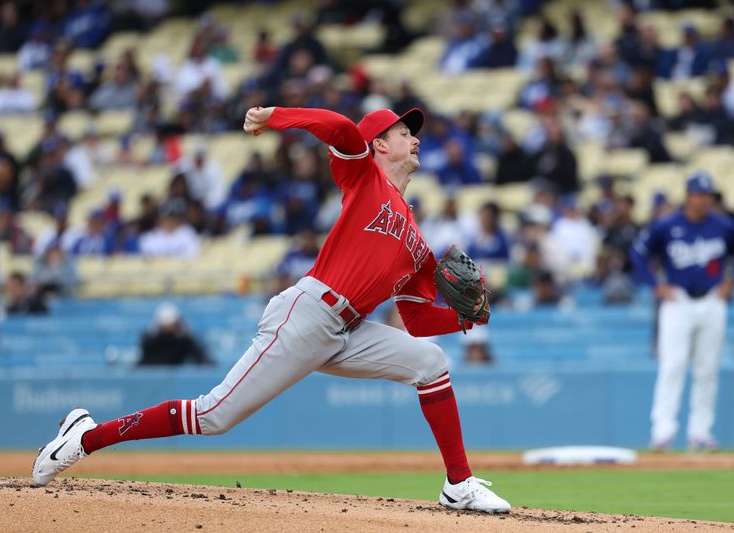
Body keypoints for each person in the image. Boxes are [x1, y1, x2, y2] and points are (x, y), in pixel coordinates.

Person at [32, 105, 511, 514]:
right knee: (213, 416)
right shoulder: (363, 177)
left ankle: (458, 486)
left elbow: (418, 319)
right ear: (379, 145)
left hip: (350, 331)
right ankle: (84, 437)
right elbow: (342, 129)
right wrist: (277, 116)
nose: (414, 139)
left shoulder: (416, 242)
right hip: (308, 315)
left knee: (431, 363)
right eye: (404, 132)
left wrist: (467, 317)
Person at [630, 172, 734, 451]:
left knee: (706, 369)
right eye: (699, 195)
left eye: (707, 195)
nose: (703, 200)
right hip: (677, 301)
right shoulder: (667, 225)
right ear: (688, 196)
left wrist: (732, 281)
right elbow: (638, 253)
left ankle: (701, 431)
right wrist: (654, 285)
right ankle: (662, 431)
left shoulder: (723, 225)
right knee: (672, 366)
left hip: (712, 299)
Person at [138, 303, 214, 366]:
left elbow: (201, 357)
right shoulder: (150, 340)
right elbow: (144, 360)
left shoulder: (184, 340)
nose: (168, 327)